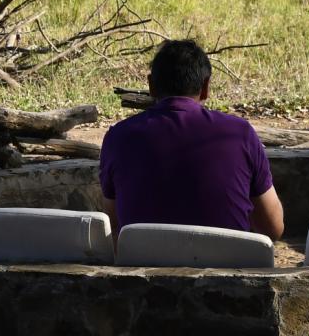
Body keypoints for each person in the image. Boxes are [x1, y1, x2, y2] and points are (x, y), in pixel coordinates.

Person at [98, 39, 284, 241]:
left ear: (151, 86)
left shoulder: (118, 137)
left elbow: (113, 223)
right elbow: (273, 228)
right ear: (205, 87)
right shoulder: (240, 134)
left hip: (145, 267)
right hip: (228, 269)